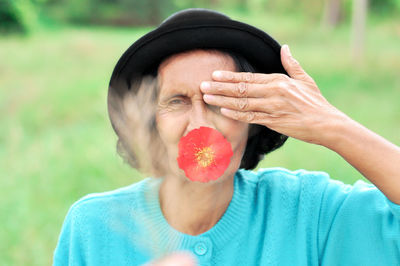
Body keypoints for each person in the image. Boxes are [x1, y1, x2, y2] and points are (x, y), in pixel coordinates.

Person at [53, 8, 400, 266]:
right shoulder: (93, 227)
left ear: (254, 121)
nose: (201, 126)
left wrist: (331, 125)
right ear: (150, 123)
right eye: (177, 102)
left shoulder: (313, 211)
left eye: (221, 103)